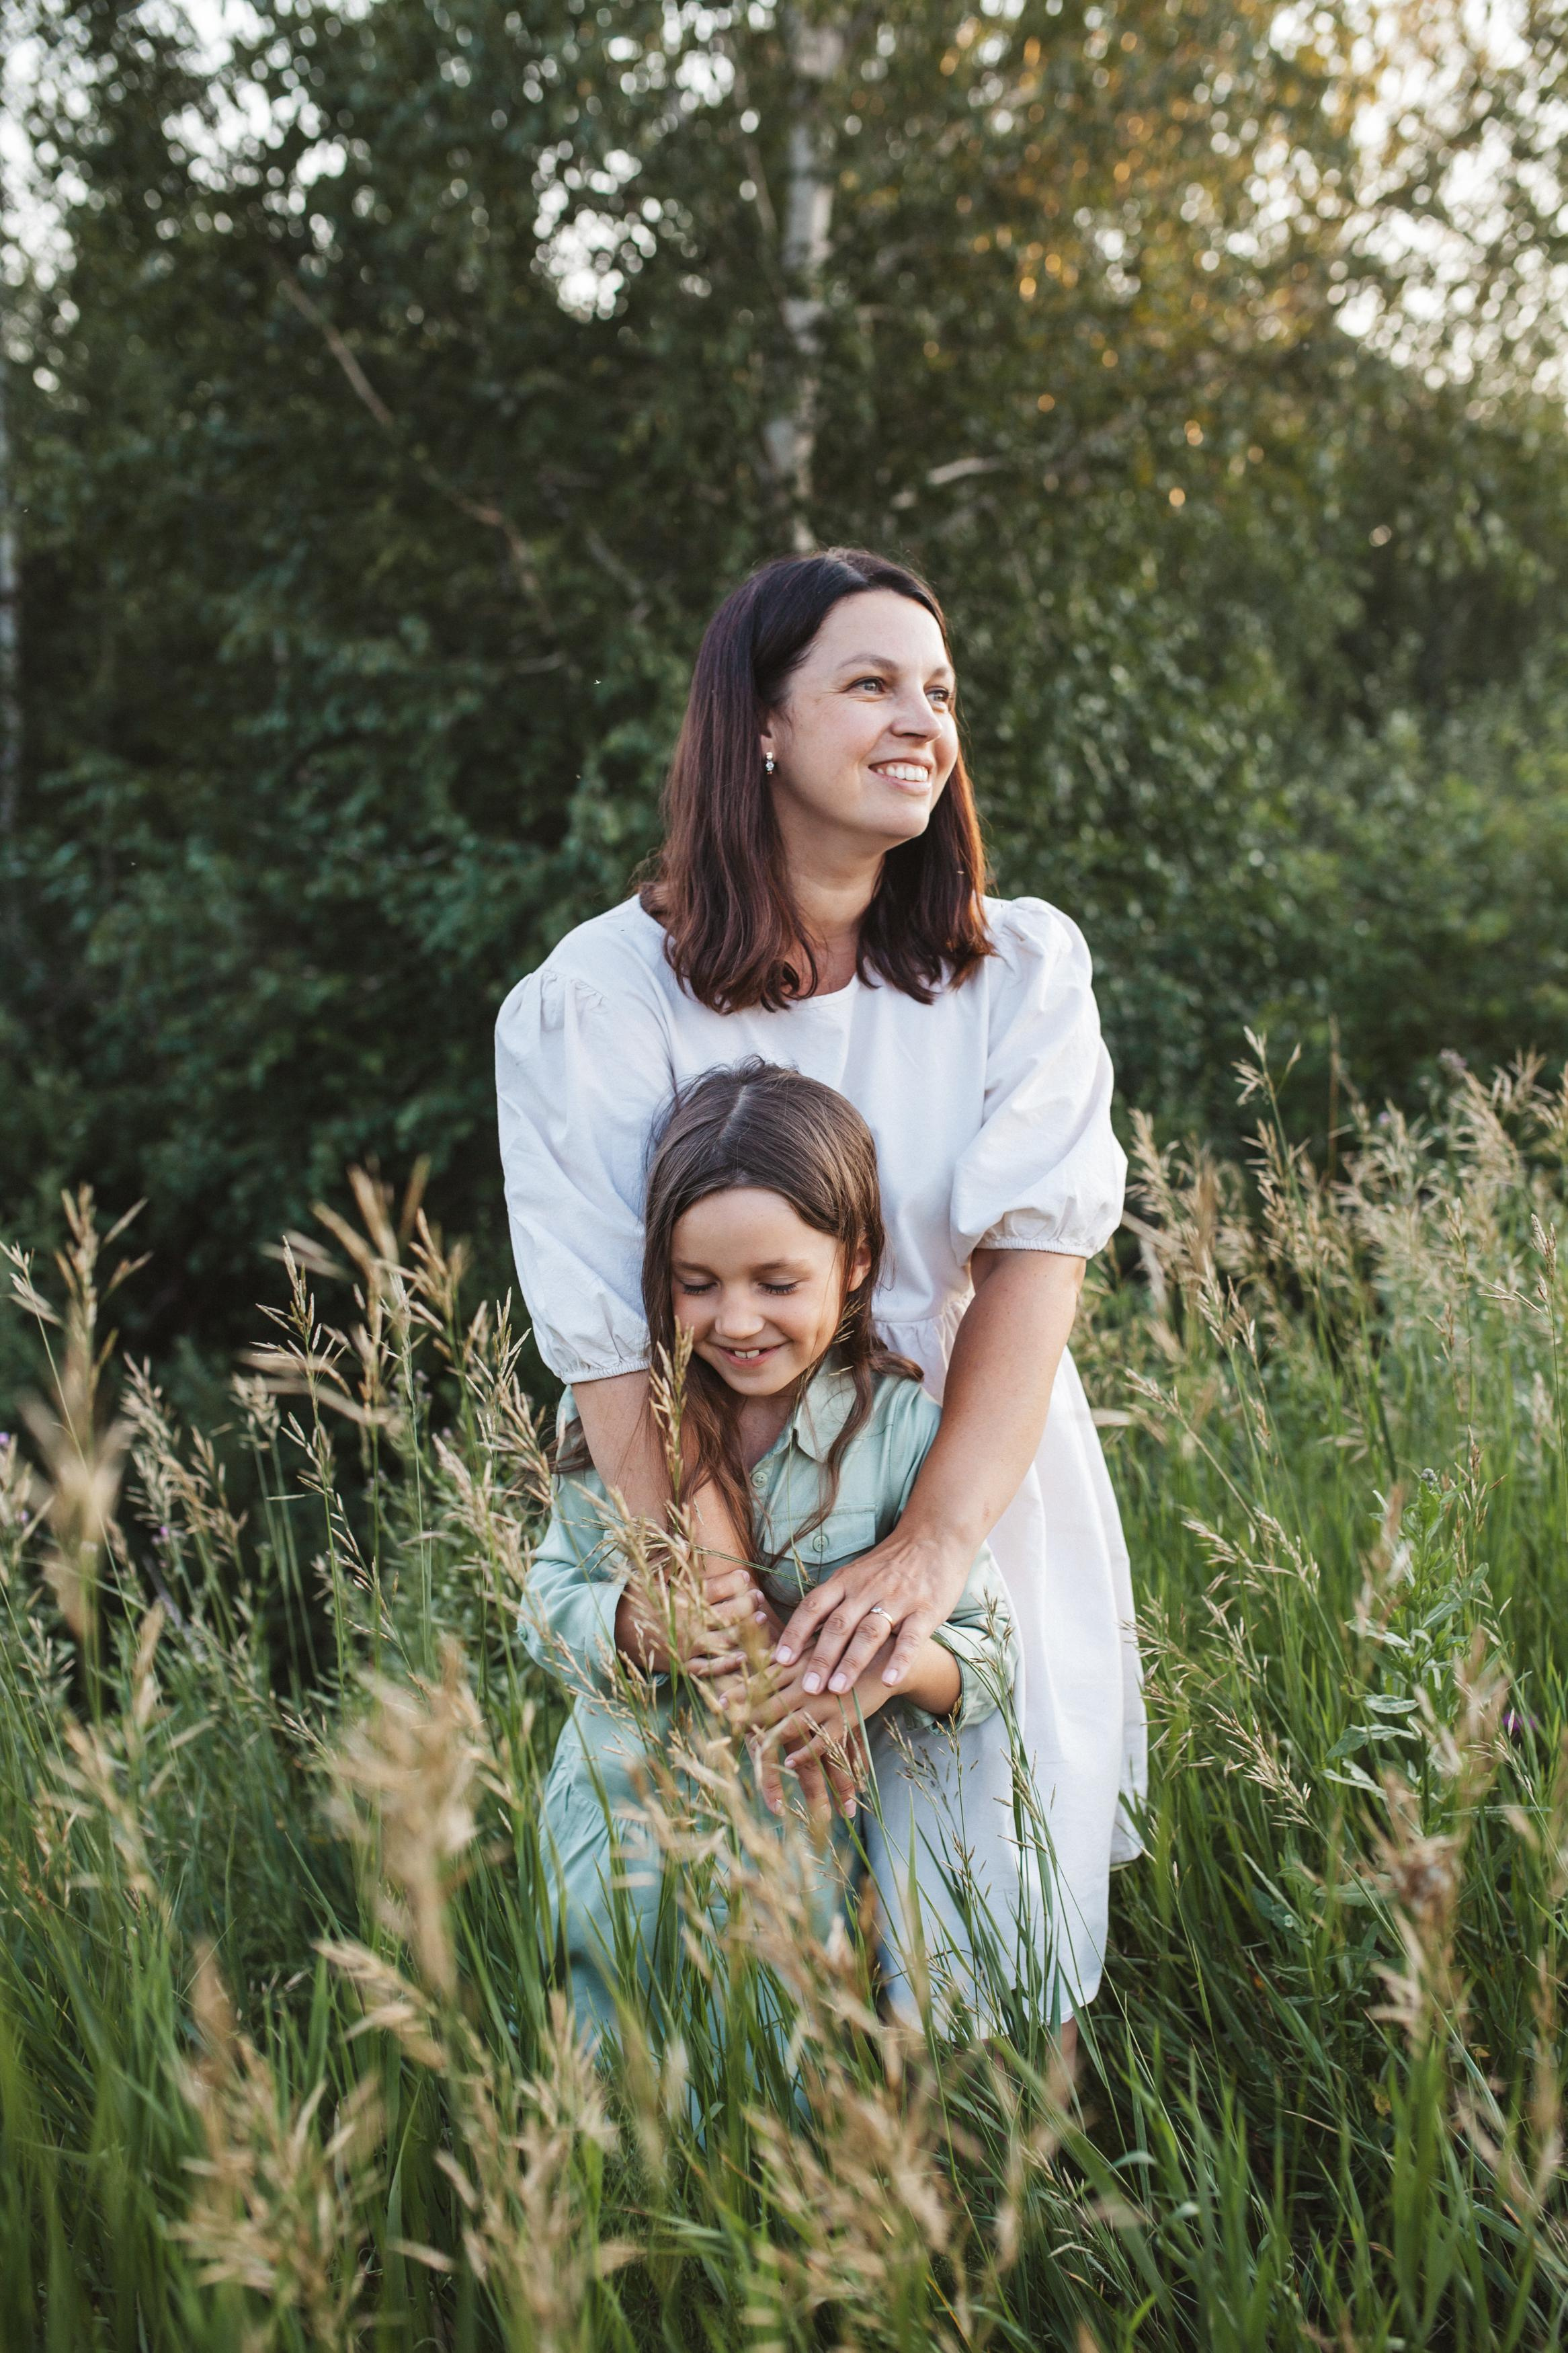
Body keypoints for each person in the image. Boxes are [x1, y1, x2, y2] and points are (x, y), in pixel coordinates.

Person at [496, 545, 1143, 2022]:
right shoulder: (599, 998)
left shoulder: (1019, 969)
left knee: (983, 1939)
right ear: (761, 726)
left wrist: (925, 1560)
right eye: (871, 683)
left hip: (971, 1478)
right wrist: (746, 1639)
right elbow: (616, 1349)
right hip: (710, 1491)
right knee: (748, 1953)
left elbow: (1035, 1278)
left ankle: (991, 2223)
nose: (922, 718)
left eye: (941, 690)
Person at [521, 1062, 1022, 2036]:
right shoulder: (619, 1425)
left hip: (790, 1862)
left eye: (777, 1282)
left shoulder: (898, 1435)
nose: (736, 1321)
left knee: (766, 2103)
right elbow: (544, 1608)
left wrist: (873, 1674)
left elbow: (988, 1651)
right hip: (616, 1844)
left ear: (858, 1261)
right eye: (696, 1285)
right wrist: (635, 1624)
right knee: (610, 2108)